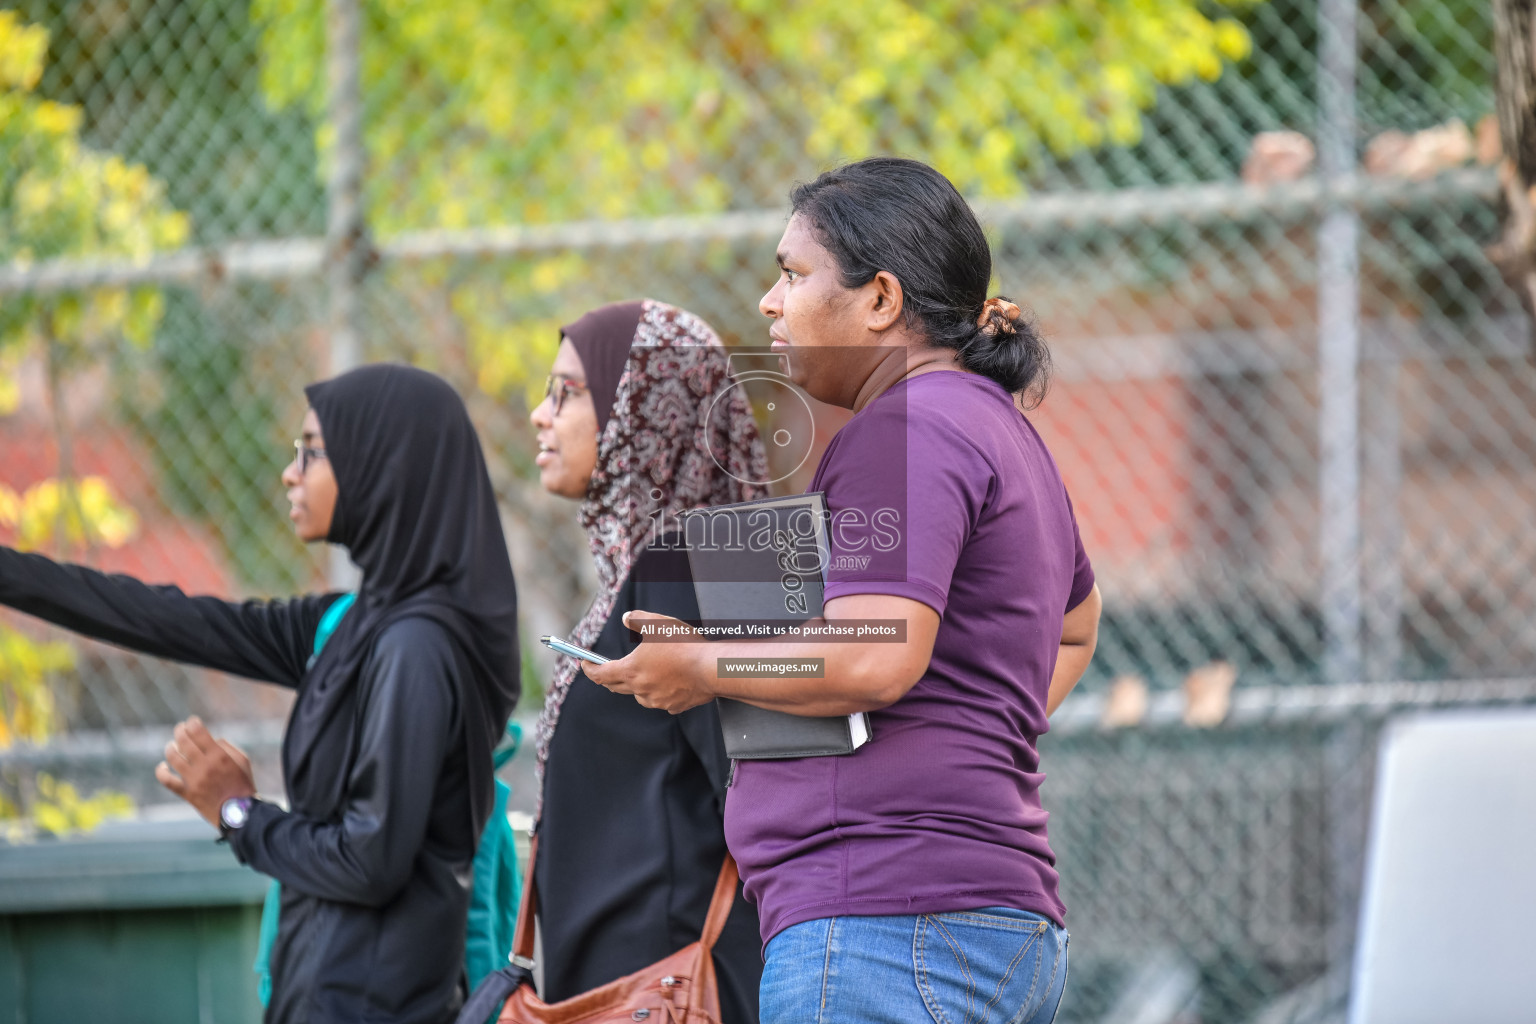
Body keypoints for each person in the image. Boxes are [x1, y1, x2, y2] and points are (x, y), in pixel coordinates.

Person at [583, 158, 1103, 1024]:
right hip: (972, 923)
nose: (769, 301)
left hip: (886, 927)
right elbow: (1076, 632)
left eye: (792, 273)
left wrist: (703, 665)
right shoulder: (993, 425)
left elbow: (876, 654)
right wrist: (967, 729)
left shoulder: (907, 424)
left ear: (881, 300)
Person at [0, 364, 519, 1024]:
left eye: (313, 451)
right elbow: (174, 619)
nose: (290, 472)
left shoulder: (417, 647)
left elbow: (370, 861)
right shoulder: (352, 624)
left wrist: (238, 814)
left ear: (381, 466)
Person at [528, 299, 765, 1021]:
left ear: (646, 407)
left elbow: (765, 803)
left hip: (668, 990)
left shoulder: (689, 562)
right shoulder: (650, 570)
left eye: (566, 392)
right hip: (625, 990)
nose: (541, 415)